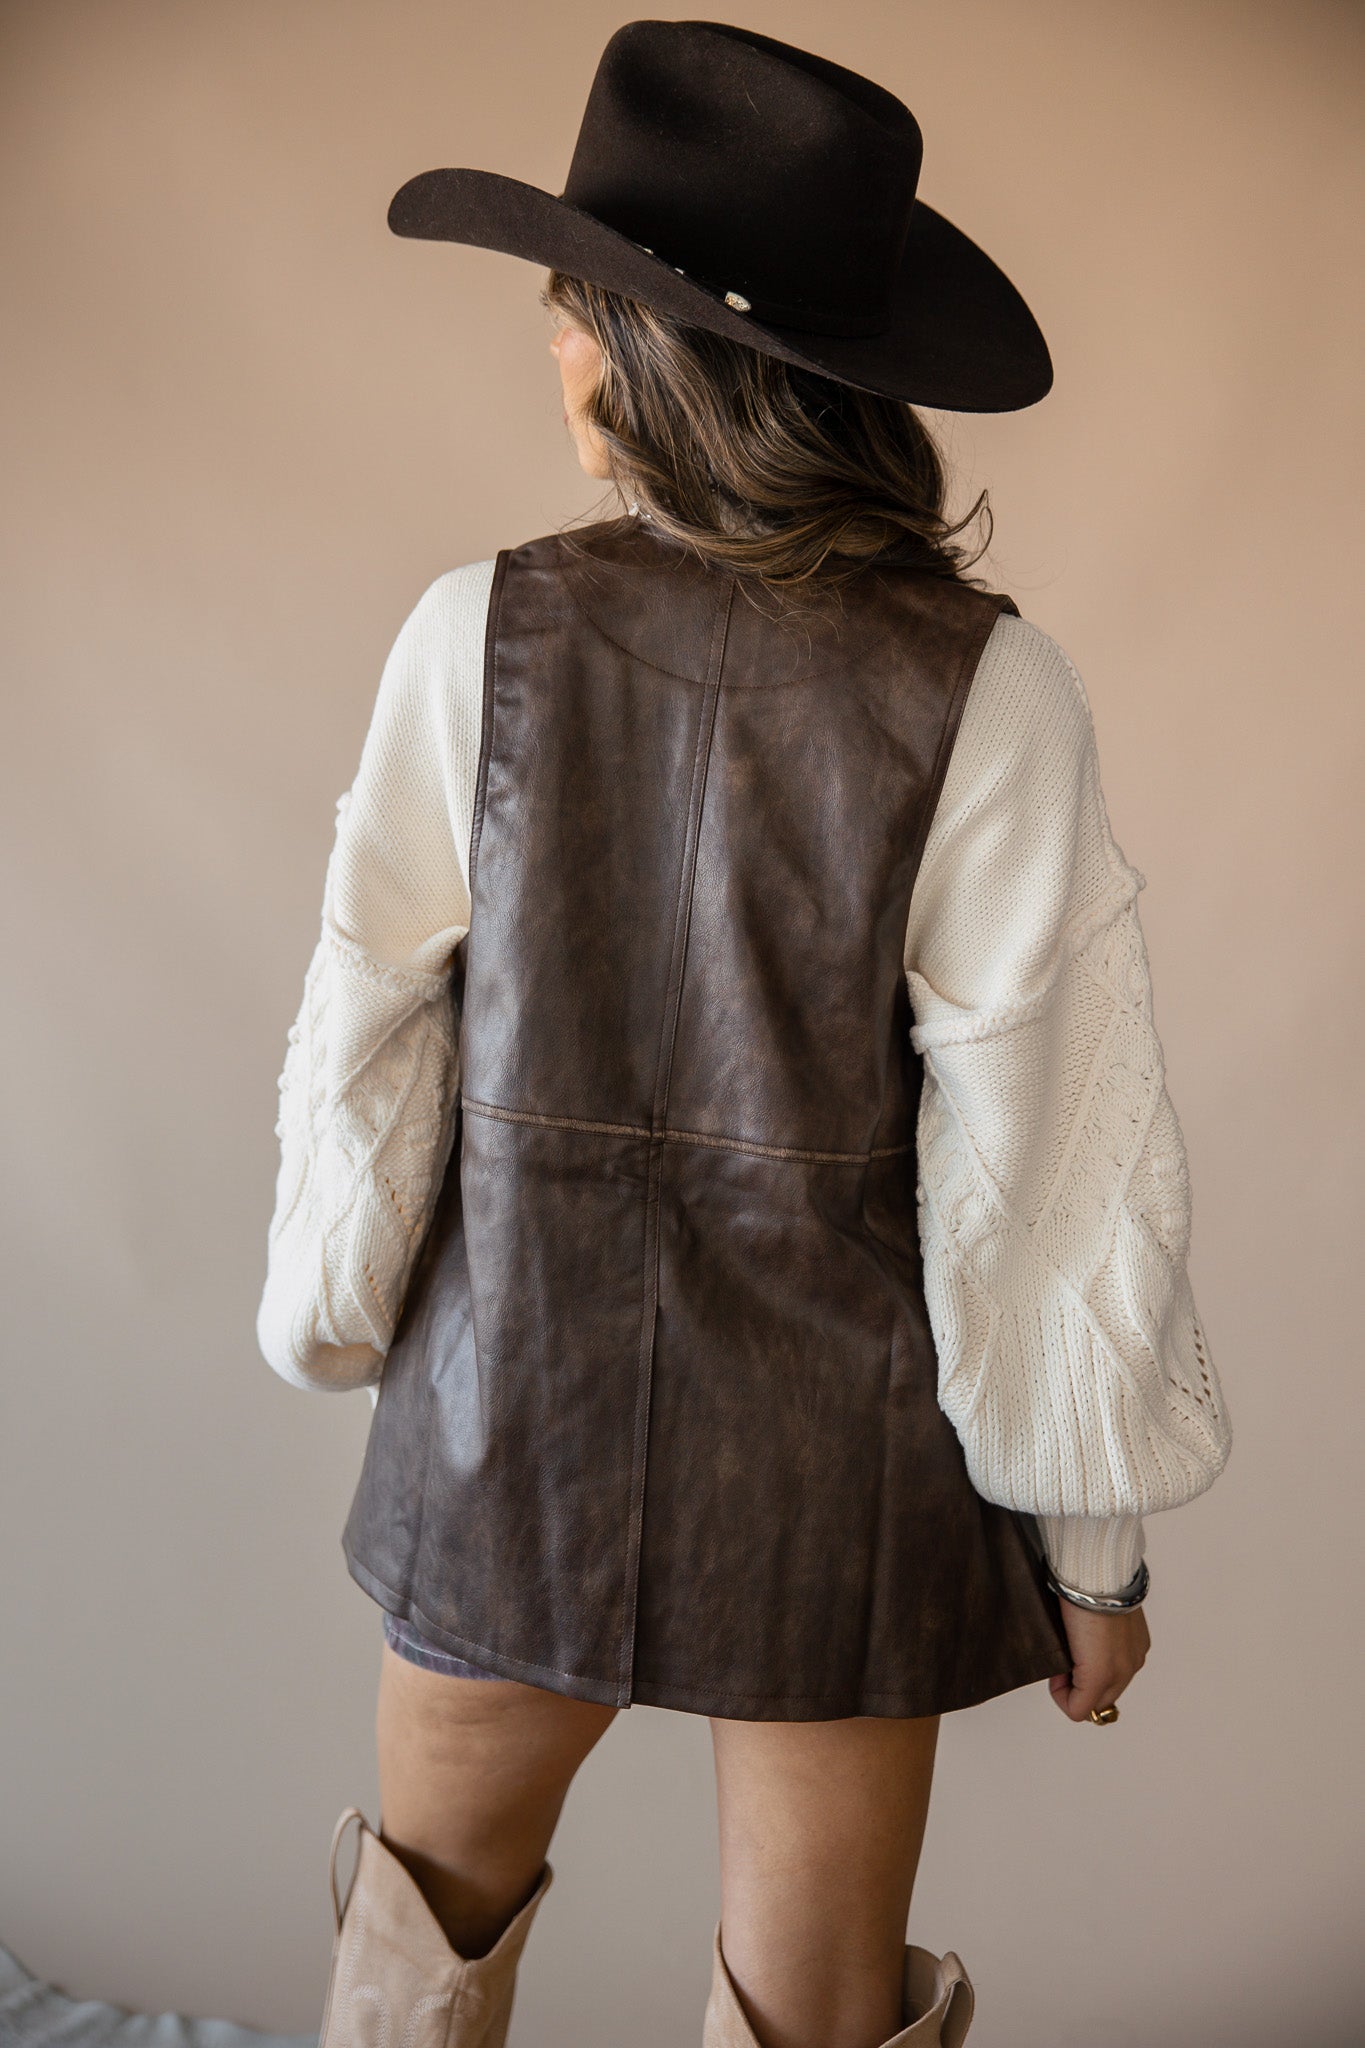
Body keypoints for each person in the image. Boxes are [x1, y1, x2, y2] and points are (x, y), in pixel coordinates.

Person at [255, 22, 1232, 2048]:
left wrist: (339, 1318)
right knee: (809, 2024)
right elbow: (1046, 1159)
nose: (550, 355)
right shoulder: (994, 688)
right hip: (839, 1466)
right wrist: (1091, 1547)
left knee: (401, 1984)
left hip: (507, 1418)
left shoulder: (476, 633)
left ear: (647, 352)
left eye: (567, 311)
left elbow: (369, 1029)